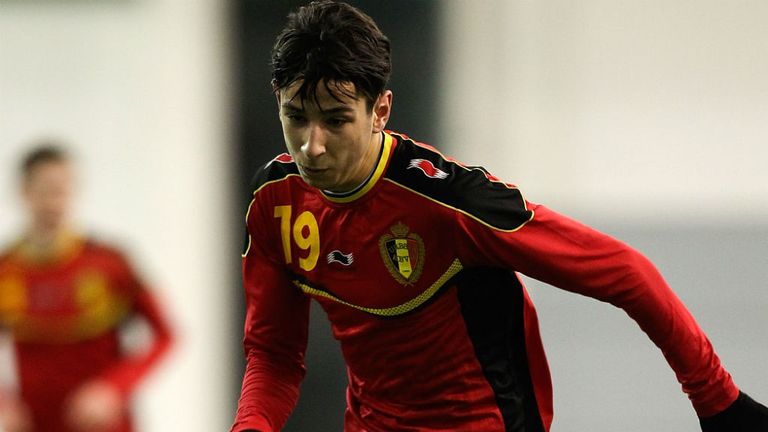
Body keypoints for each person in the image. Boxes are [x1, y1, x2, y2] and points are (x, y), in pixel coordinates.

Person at [231, 2, 768, 431]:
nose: (312, 146)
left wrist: (717, 400)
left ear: (381, 111)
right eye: (295, 118)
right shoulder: (273, 201)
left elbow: (627, 273)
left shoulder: (452, 202)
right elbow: (274, 355)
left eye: (335, 121)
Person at [0, 144, 174, 432]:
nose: (54, 202)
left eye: (62, 190)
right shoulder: (7, 270)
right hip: (35, 423)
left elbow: (165, 336)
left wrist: (113, 388)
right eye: (45, 191)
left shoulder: (109, 262)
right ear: (24, 192)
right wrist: (5, 403)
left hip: (105, 425)